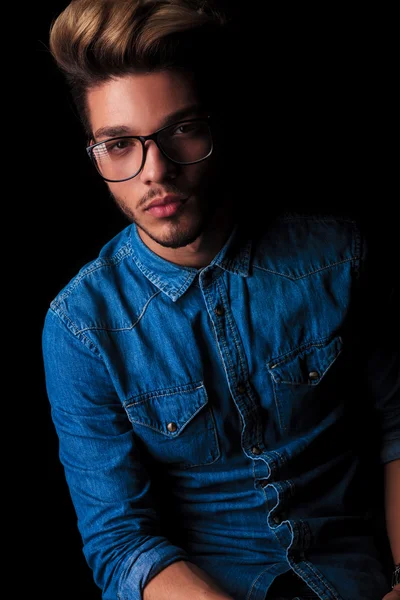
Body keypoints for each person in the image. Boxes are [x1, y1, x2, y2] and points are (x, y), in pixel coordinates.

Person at [42, 1, 399, 599]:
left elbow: (397, 426)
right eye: (119, 144)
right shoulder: (80, 327)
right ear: (94, 150)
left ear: (216, 124)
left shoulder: (341, 257)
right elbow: (120, 543)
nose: (154, 171)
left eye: (181, 130)